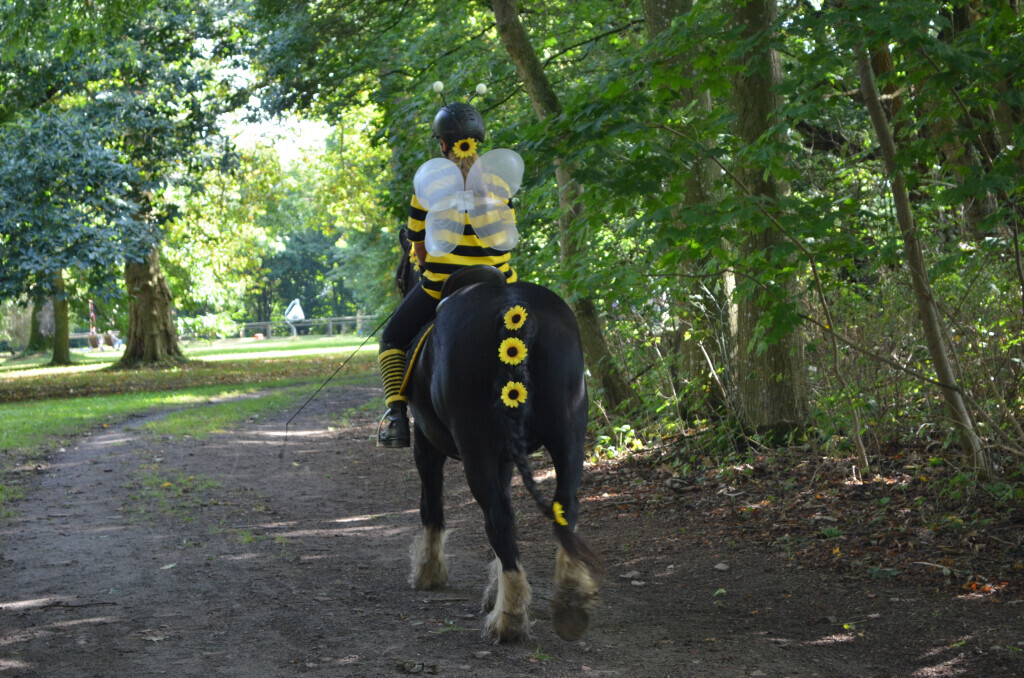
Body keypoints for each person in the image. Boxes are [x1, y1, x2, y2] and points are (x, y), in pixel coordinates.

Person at [377, 98, 518, 447]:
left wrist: (427, 265)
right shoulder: (501, 184)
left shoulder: (428, 185)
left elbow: (418, 245)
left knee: (392, 337)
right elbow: (504, 240)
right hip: (501, 286)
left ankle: (396, 418)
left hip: (443, 287)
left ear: (442, 144)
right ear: (478, 141)